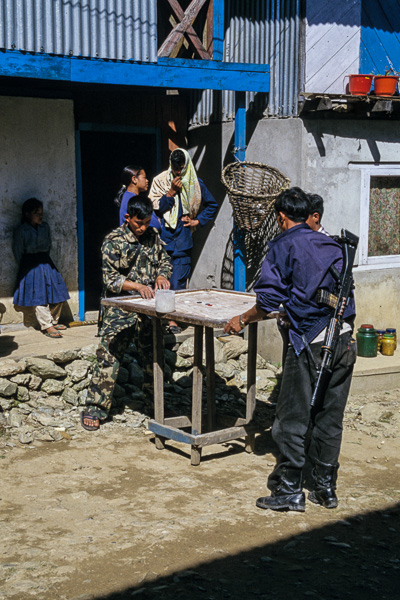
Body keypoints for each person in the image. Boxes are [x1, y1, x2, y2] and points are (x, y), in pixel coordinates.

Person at [224, 188, 356, 512]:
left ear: (282, 217)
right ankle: (325, 489)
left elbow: (267, 300)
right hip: (344, 340)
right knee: (329, 418)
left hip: (310, 343)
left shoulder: (283, 245)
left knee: (291, 418)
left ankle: (288, 490)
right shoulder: (333, 244)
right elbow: (344, 296)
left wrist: (241, 320)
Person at [81, 196, 172, 431]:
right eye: (138, 223)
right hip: (119, 309)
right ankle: (95, 408)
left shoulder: (153, 236)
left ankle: (156, 405)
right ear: (127, 218)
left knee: (154, 355)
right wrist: (137, 286)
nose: (142, 228)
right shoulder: (113, 241)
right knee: (108, 356)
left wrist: (162, 275)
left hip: (148, 309)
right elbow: (110, 279)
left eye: (146, 222)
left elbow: (165, 261)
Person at [149, 148, 218, 333]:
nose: (178, 173)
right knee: (161, 280)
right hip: (163, 239)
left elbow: (212, 204)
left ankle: (173, 321)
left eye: (181, 168)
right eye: (174, 168)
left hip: (183, 239)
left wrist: (197, 220)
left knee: (178, 281)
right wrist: (170, 192)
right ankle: (161, 317)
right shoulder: (160, 181)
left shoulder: (195, 183)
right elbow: (155, 208)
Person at [12, 198, 70, 339]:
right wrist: (27, 268)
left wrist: (43, 261)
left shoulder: (45, 227)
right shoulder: (22, 231)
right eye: (36, 213)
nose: (40, 216)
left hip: (45, 261)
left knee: (59, 292)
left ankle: (53, 321)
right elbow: (17, 251)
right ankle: (47, 325)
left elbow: (48, 245)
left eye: (41, 213)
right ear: (27, 214)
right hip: (30, 264)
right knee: (38, 297)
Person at [114, 165, 161, 231]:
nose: (147, 181)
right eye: (144, 178)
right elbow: (155, 224)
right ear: (134, 179)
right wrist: (158, 221)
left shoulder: (128, 196)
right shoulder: (132, 200)